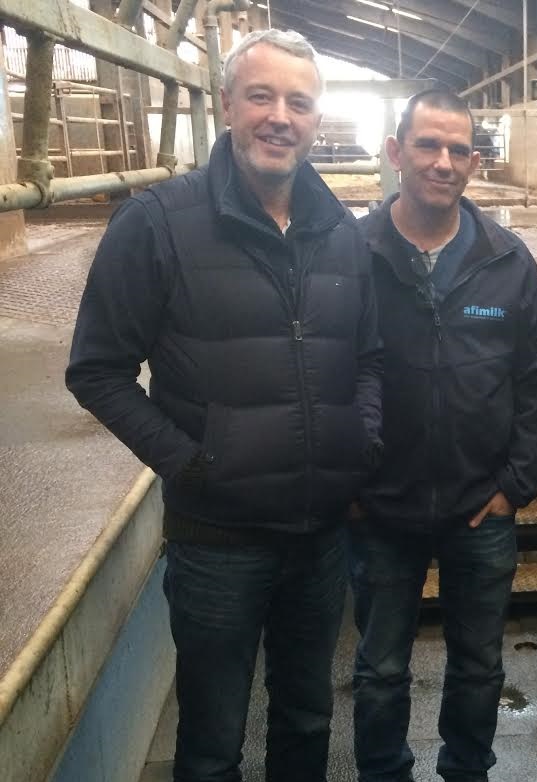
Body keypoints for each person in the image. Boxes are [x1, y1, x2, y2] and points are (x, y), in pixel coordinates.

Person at [65, 29, 381, 782]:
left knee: (307, 718)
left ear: (315, 119)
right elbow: (98, 370)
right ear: (227, 105)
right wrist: (191, 461)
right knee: (212, 741)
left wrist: (358, 439)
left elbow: (368, 357)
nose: (280, 116)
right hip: (218, 543)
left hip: (320, 536)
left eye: (298, 102)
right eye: (262, 96)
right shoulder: (157, 223)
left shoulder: (341, 233)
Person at [350, 89, 537, 782]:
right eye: (427, 145)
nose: (442, 162)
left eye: (457, 149)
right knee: (379, 668)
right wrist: (352, 482)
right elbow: (325, 369)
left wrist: (514, 486)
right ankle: (383, 772)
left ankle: (466, 770)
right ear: (395, 152)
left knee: (478, 664)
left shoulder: (505, 258)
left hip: (480, 508)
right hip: (381, 508)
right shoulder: (354, 255)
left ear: (474, 160)